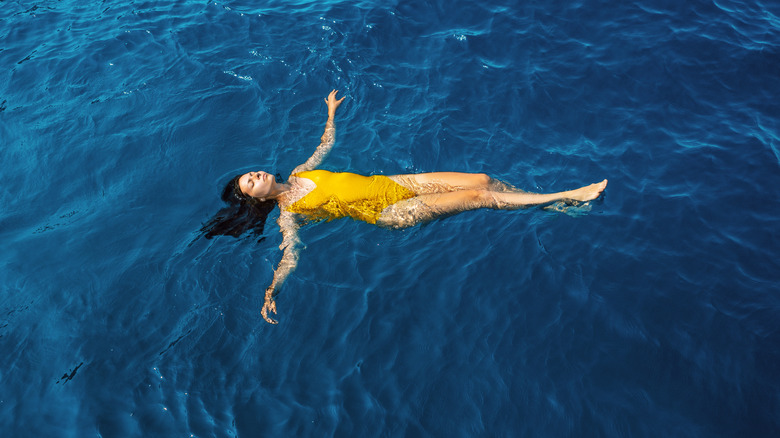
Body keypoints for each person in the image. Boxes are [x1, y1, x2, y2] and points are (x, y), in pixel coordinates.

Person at [206, 90, 607, 323]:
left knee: (483, 180)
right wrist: (272, 289)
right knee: (480, 197)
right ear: (254, 198)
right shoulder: (288, 213)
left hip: (396, 184)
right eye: (250, 182)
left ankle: (545, 207)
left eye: (253, 172)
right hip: (389, 213)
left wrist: (329, 114)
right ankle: (564, 196)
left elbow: (323, 147)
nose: (256, 175)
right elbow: (290, 252)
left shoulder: (297, 171)